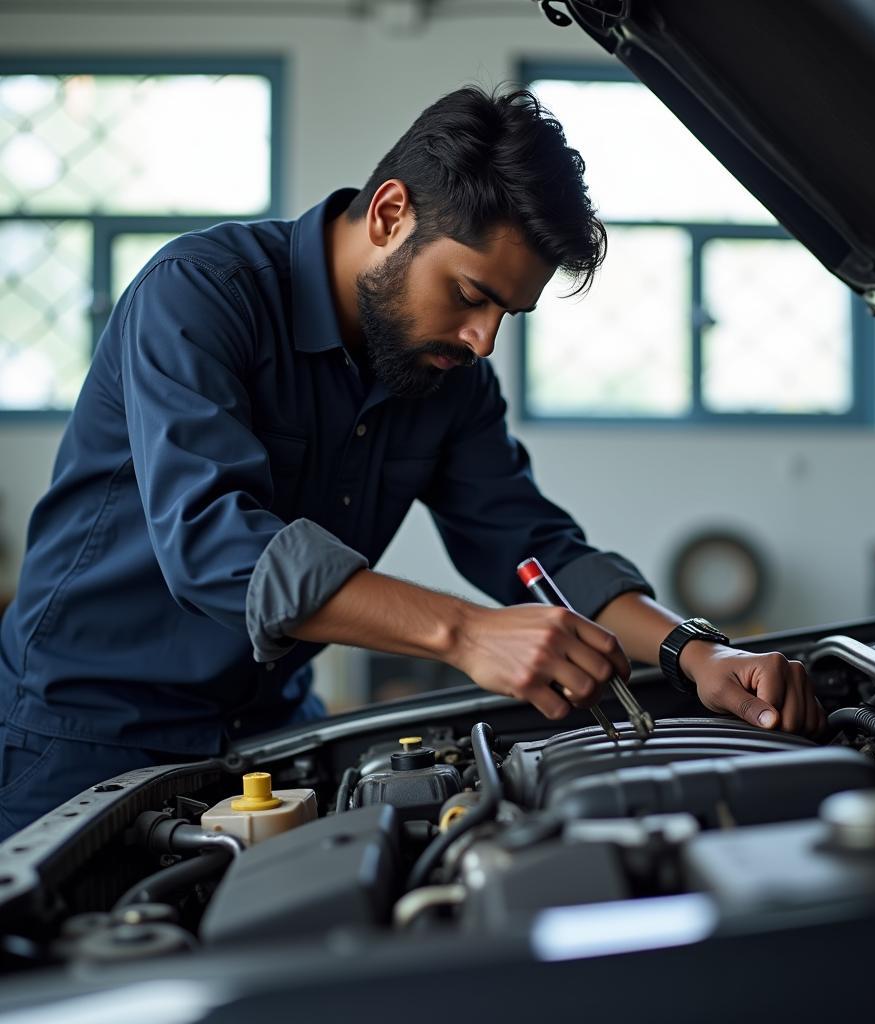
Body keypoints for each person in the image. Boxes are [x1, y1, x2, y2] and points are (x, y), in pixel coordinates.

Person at [0, 86, 823, 841]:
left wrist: (696, 653)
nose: (484, 339)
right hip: (81, 738)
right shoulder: (200, 295)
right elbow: (216, 549)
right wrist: (464, 633)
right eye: (471, 295)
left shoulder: (449, 380)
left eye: (509, 312)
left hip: (269, 733)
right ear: (391, 214)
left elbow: (534, 549)